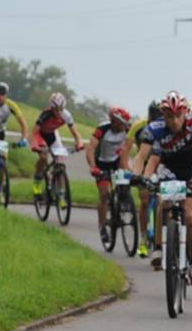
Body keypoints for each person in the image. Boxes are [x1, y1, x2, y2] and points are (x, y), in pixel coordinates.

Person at [128, 92, 192, 285]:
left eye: (178, 115)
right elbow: (140, 157)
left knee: (190, 215)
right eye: (170, 116)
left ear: (185, 113)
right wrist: (138, 177)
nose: (175, 121)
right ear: (163, 115)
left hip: (189, 173)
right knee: (164, 203)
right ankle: (158, 248)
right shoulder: (154, 129)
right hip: (168, 171)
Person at [86, 106, 136, 236]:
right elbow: (90, 148)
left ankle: (124, 200)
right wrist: (93, 167)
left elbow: (132, 147)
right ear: (114, 122)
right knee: (104, 194)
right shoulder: (103, 129)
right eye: (122, 124)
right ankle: (102, 226)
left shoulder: (128, 129)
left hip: (117, 161)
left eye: (126, 125)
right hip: (101, 163)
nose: (124, 127)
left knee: (125, 183)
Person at [29, 92, 84, 204]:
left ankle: (61, 194)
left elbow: (75, 132)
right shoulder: (45, 114)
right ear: (51, 107)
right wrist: (34, 145)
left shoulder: (66, 115)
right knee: (44, 157)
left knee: (60, 163)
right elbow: (34, 132)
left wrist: (79, 143)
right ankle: (37, 180)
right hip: (41, 135)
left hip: (53, 135)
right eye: (55, 109)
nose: (58, 112)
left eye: (60, 109)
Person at [132, 99, 164, 257]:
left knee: (161, 200)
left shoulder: (168, 128)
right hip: (145, 165)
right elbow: (139, 156)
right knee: (144, 200)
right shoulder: (141, 129)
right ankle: (143, 239)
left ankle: (163, 240)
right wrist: (136, 176)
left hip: (162, 165)